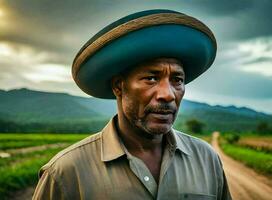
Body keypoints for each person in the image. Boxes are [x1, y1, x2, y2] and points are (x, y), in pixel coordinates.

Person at [33, 9, 232, 200]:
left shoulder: (206, 160)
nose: (168, 94)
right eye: (151, 78)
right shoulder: (66, 173)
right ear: (119, 86)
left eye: (177, 80)